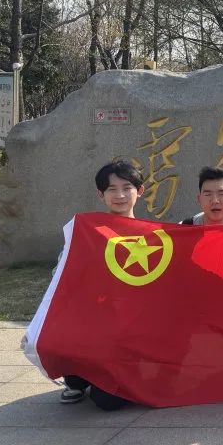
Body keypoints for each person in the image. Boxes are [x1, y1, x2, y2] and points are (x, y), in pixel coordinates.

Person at [59, 160, 144, 410]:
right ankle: (77, 377)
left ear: (140, 191)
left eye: (127, 188)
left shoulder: (153, 235)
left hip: (132, 329)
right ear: (100, 194)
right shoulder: (87, 232)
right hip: (95, 324)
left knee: (108, 402)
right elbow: (63, 277)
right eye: (111, 189)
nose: (120, 195)